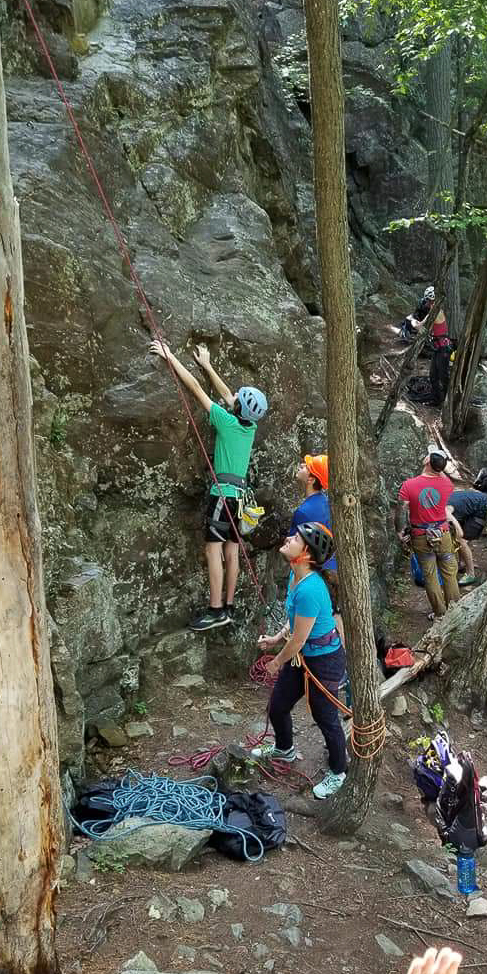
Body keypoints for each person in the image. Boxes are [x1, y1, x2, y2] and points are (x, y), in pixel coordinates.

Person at [150, 340, 267, 631]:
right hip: (239, 499)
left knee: (213, 551)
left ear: (238, 408)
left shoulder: (226, 421)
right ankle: (228, 607)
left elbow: (195, 389)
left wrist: (170, 356)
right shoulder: (248, 427)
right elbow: (229, 395)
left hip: (222, 498)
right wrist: (207, 364)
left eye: (239, 397)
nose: (234, 395)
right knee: (232, 552)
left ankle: (215, 610)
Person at [253, 522, 347, 800]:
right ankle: (284, 748)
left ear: (306, 554)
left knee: (325, 716)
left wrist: (277, 660)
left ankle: (338, 772)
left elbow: (300, 640)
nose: (287, 538)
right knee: (278, 705)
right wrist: (275, 638)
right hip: (302, 656)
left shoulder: (311, 589)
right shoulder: (295, 577)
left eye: (295, 538)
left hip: (324, 660)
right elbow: (294, 623)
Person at [395, 447, 460, 618]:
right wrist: (440, 467)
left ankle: (440, 613)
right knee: (449, 573)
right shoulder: (447, 484)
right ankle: (454, 614)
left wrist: (400, 531)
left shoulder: (409, 485)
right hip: (442, 534)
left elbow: (401, 511)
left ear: (427, 461)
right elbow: (441, 475)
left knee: (430, 576)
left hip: (421, 536)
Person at [292, 454, 343, 643]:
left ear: (312, 479)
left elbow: (294, 544)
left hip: (313, 569)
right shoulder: (326, 503)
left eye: (305, 466)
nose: (300, 466)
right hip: (331, 567)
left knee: (316, 618)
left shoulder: (304, 511)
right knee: (333, 613)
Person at [448, 489, 487, 586]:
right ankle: (462, 563)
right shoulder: (442, 501)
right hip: (477, 505)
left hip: (484, 510)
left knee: (461, 540)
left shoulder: (446, 510)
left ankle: (470, 574)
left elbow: (459, 533)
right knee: (457, 537)